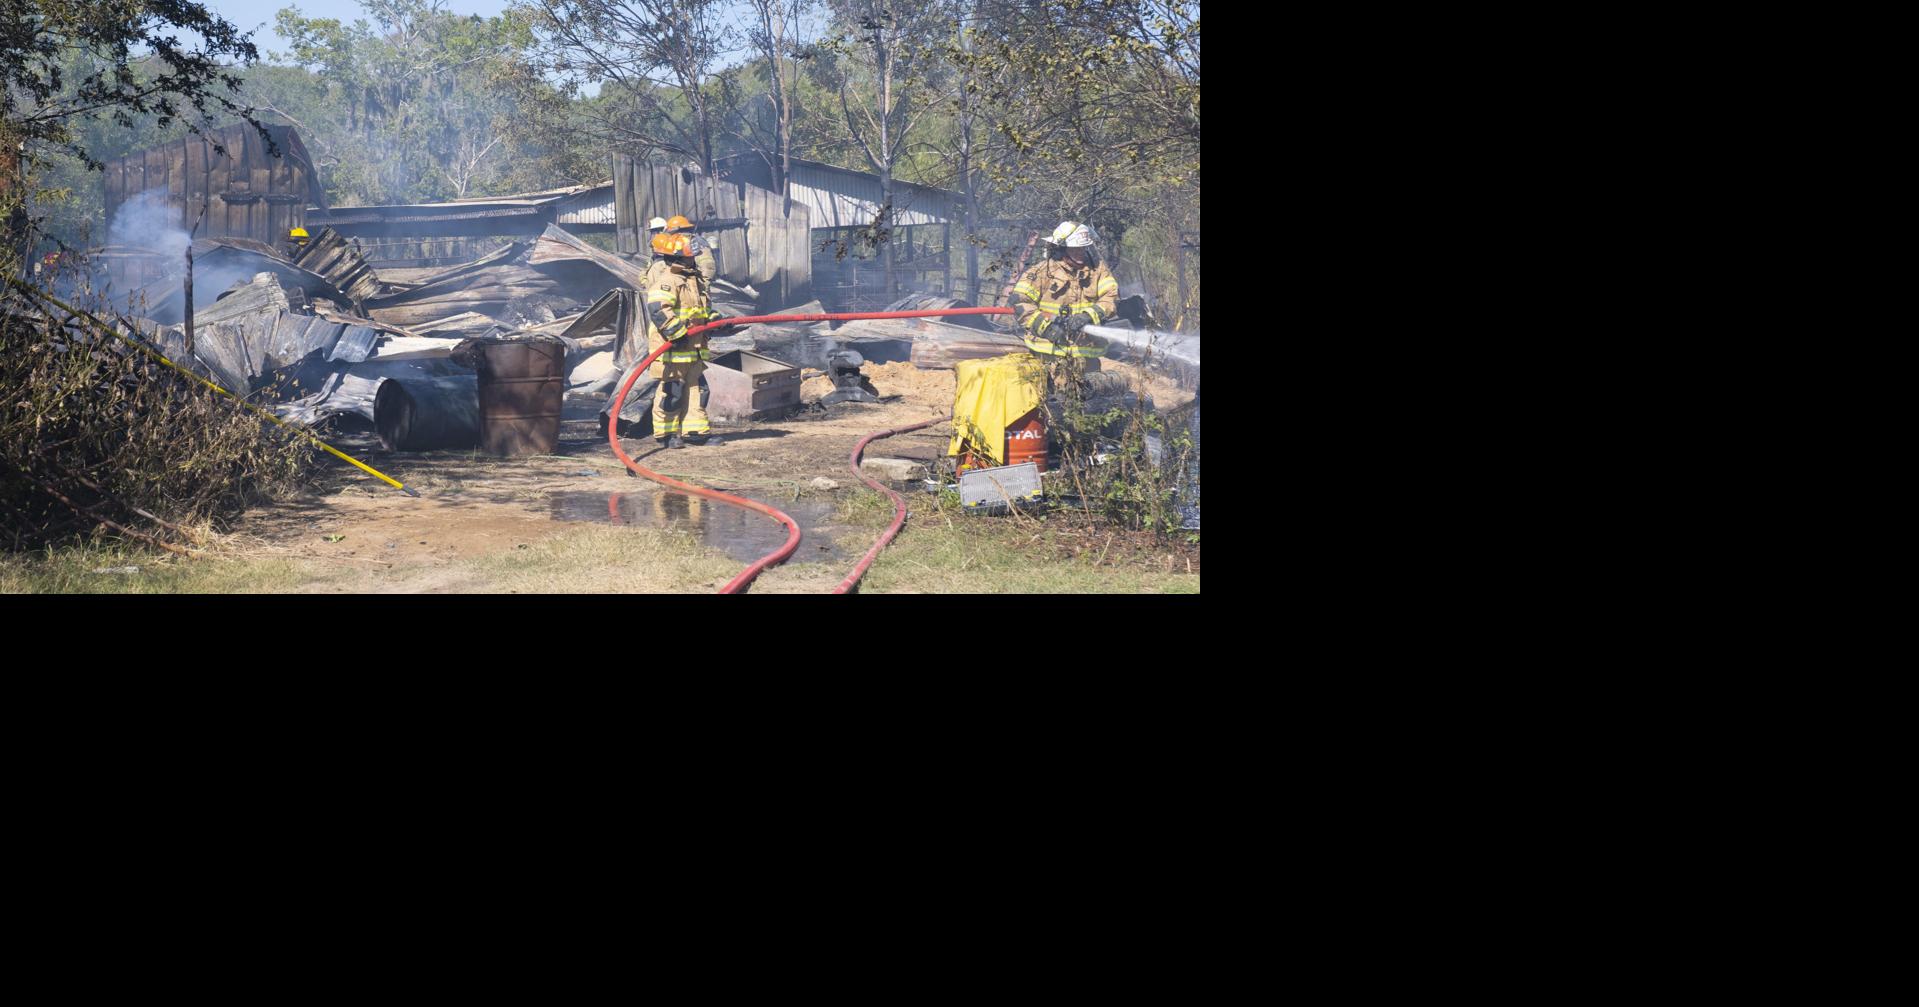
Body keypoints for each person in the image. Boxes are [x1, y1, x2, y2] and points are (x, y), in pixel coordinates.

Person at [644, 231, 724, 448]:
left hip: (694, 348)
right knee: (673, 392)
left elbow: (699, 310)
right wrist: (676, 333)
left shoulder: (693, 280)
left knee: (696, 390)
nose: (694, 259)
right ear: (679, 258)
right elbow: (658, 310)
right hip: (672, 348)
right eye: (691, 256)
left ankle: (695, 432)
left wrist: (714, 318)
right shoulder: (668, 280)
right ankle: (666, 435)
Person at [1010, 221, 1118, 364]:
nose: (1080, 254)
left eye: (1083, 248)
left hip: (1086, 353)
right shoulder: (1042, 271)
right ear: (1061, 249)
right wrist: (1045, 327)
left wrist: (1089, 315)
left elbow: (1111, 297)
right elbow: (1020, 302)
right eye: (1075, 249)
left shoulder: (1098, 271)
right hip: (1047, 353)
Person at [662, 213, 717, 283]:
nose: (671, 235)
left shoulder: (696, 242)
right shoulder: (676, 243)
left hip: (694, 284)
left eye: (672, 233)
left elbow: (708, 266)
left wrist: (703, 285)